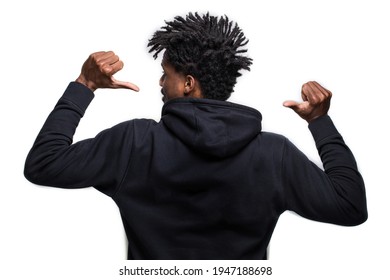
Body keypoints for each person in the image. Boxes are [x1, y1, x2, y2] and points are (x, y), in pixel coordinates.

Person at [24, 12, 367, 260]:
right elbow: (350, 206)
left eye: (166, 74)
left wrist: (84, 86)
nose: (160, 83)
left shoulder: (135, 142)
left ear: (188, 83)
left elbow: (44, 164)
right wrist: (320, 122)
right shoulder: (272, 153)